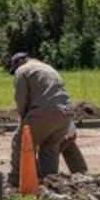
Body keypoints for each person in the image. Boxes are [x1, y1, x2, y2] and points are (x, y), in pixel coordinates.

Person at [7, 53, 76, 186]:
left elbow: (21, 98)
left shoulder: (22, 70)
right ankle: (50, 182)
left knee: (20, 142)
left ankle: (17, 179)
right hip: (65, 114)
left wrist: (23, 118)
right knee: (50, 149)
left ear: (20, 61)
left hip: (44, 112)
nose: (15, 72)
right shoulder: (48, 68)